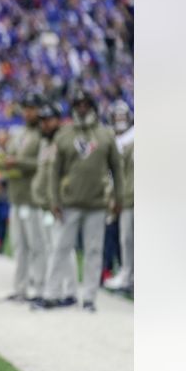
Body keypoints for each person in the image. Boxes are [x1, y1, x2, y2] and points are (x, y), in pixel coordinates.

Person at [35, 89, 123, 313]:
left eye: (85, 103)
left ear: (92, 107)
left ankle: (90, 298)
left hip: (96, 203)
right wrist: (54, 199)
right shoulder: (64, 135)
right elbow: (54, 171)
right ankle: (52, 293)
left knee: (94, 251)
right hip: (69, 202)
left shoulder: (106, 135)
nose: (82, 107)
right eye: (78, 104)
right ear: (73, 107)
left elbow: (117, 169)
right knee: (60, 249)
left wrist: (118, 198)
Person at [0, 92, 45, 303]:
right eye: (25, 109)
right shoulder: (18, 133)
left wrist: (17, 162)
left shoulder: (43, 134)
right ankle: (20, 288)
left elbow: (43, 165)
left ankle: (38, 288)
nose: (27, 113)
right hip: (16, 195)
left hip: (33, 197)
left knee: (36, 245)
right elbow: (8, 156)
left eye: (31, 109)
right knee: (19, 246)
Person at [30, 103, 77, 307]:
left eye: (48, 120)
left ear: (58, 120)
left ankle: (67, 292)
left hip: (58, 204)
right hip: (45, 204)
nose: (45, 124)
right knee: (53, 248)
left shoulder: (65, 141)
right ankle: (58, 290)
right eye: (42, 120)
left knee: (62, 248)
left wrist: (59, 198)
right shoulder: (45, 142)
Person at [104, 100, 134, 293]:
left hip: (130, 195)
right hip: (120, 197)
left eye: (123, 116)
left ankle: (128, 275)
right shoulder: (113, 140)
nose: (120, 120)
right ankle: (126, 273)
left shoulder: (132, 139)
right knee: (124, 238)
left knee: (129, 238)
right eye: (117, 117)